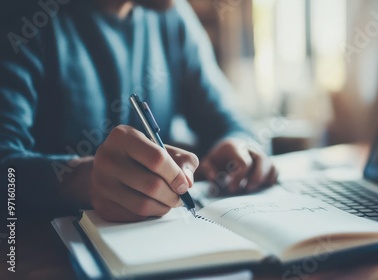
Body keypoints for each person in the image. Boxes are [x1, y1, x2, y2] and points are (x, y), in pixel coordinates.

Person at [0, 0, 277, 222]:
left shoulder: (172, 15)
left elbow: (232, 122)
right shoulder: (20, 18)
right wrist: (79, 180)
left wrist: (240, 146)